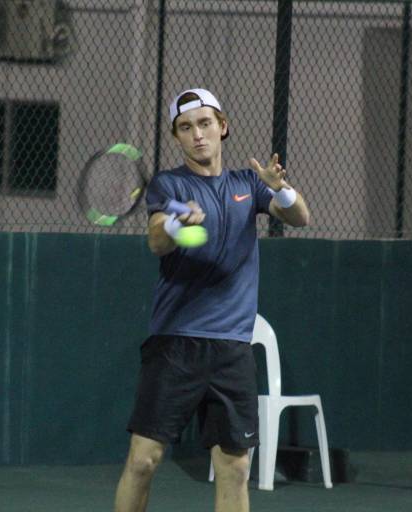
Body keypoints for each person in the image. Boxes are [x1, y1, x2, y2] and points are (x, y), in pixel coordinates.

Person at [114, 88, 310, 512]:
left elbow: (300, 218)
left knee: (235, 467)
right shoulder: (170, 184)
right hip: (175, 344)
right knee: (144, 461)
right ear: (177, 137)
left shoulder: (247, 183)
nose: (197, 135)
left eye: (205, 124)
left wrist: (281, 191)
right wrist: (176, 220)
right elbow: (156, 241)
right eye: (186, 128)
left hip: (232, 349)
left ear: (223, 127)